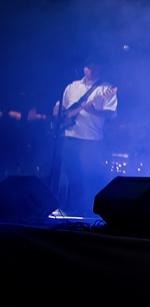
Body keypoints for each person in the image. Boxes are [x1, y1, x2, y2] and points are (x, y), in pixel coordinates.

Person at [55, 57, 118, 217]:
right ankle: (66, 207)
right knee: (68, 174)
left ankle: (91, 210)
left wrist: (91, 110)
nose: (91, 70)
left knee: (90, 175)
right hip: (69, 136)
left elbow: (110, 114)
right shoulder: (72, 87)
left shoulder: (105, 89)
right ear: (84, 68)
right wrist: (64, 115)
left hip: (91, 139)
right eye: (89, 67)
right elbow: (60, 110)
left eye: (95, 67)